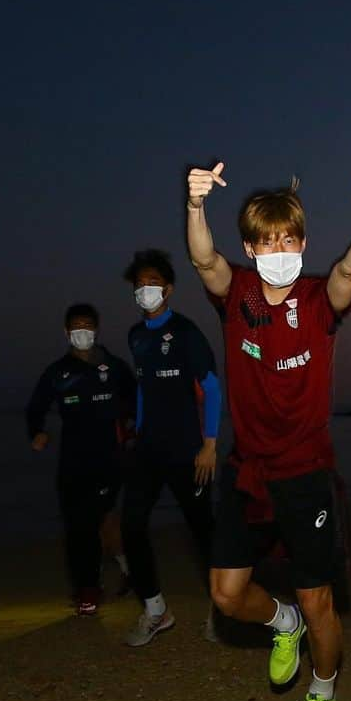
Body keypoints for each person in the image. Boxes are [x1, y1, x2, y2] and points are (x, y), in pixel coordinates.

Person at [186, 161, 351, 701]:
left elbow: (350, 272)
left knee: (318, 598)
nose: (280, 248)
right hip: (248, 468)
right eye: (267, 240)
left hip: (306, 472)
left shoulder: (318, 297)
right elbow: (204, 260)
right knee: (226, 598)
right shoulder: (238, 294)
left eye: (289, 238)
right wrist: (195, 205)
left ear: (301, 242)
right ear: (250, 247)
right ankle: (281, 624)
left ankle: (323, 694)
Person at [121, 249, 222, 647]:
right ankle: (155, 609)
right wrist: (138, 431)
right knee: (132, 525)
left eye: (152, 283)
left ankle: (222, 607)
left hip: (188, 451)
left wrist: (210, 445)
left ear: (168, 289)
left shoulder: (185, 332)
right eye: (139, 284)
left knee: (203, 532)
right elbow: (145, 389)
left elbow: (211, 387)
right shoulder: (135, 336)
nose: (145, 290)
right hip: (148, 449)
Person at [27, 303, 136, 615]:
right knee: (78, 527)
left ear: (97, 330)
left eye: (87, 326)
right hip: (72, 462)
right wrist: (37, 431)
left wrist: (135, 431)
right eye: (76, 327)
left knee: (97, 519)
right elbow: (36, 407)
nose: (82, 332)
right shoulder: (57, 372)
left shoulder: (114, 368)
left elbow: (137, 401)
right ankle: (87, 590)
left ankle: (103, 580)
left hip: (109, 459)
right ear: (67, 332)